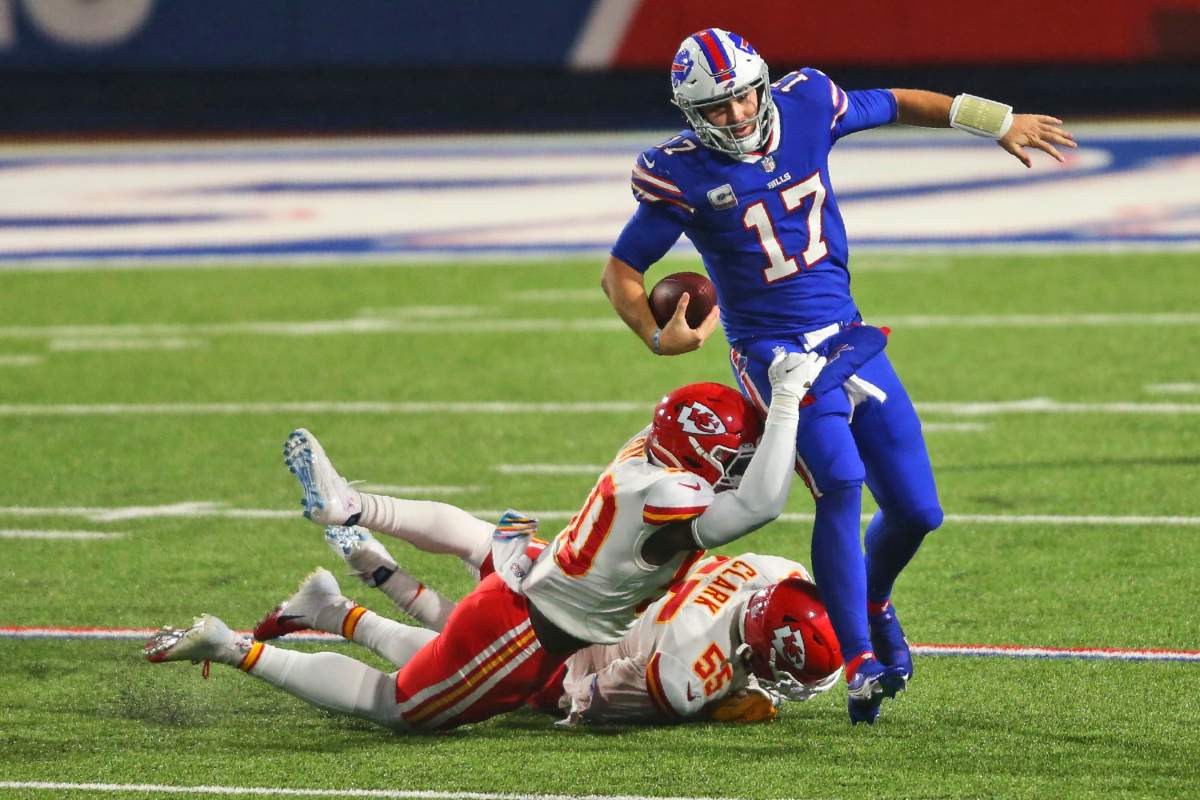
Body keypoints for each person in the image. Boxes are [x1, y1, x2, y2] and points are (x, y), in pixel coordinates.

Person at [599, 28, 1077, 724]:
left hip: (849, 336)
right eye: (716, 110)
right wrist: (654, 332)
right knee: (842, 484)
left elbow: (897, 102)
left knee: (918, 511)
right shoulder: (682, 174)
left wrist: (995, 120)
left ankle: (874, 601)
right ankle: (859, 660)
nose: (734, 118)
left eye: (740, 100)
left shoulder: (807, 104)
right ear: (690, 115)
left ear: (760, 86)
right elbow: (621, 269)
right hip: (773, 354)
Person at [145, 359, 828, 732]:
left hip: (532, 578)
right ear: (701, 454)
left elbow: (745, 474)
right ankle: (233, 645)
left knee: (469, 551)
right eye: (731, 455)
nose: (739, 467)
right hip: (531, 631)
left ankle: (354, 514)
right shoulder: (676, 502)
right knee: (395, 706)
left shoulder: (645, 455)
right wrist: (790, 399)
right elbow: (763, 499)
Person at [250, 521, 842, 726]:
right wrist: (713, 704)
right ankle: (357, 574)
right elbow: (595, 700)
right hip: (571, 646)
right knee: (424, 693)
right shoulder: (690, 673)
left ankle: (342, 591)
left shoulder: (773, 571)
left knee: (464, 620)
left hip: (583, 571)